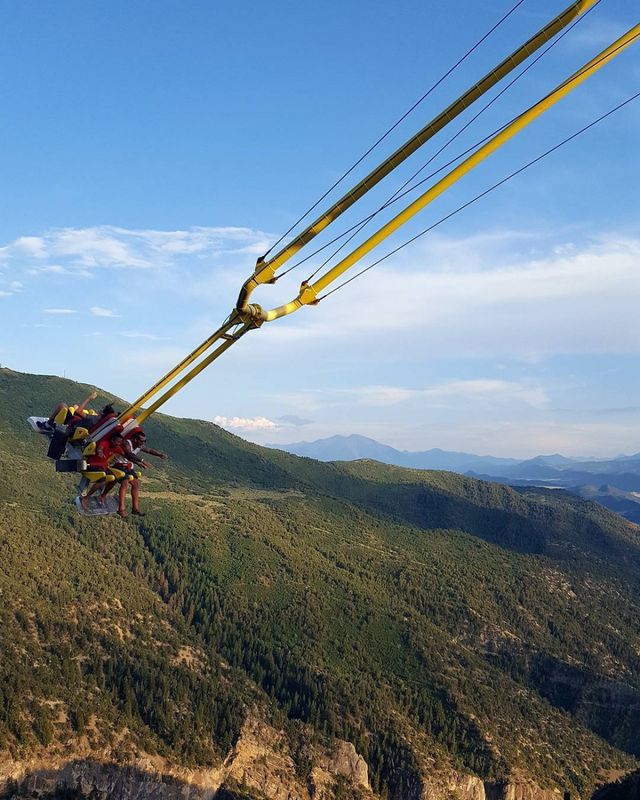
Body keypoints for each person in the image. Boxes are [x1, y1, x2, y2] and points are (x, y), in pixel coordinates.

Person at [117, 427, 168, 518]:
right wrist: (142, 460)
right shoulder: (126, 443)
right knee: (125, 482)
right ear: (135, 439)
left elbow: (149, 450)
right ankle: (121, 509)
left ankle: (135, 509)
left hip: (128, 466)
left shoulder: (139, 446)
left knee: (136, 484)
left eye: (144, 441)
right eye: (141, 441)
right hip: (118, 464)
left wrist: (159, 454)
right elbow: (129, 454)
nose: (143, 443)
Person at [79, 431, 126, 511]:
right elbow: (100, 448)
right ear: (112, 440)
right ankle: (86, 497)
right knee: (103, 479)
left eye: (120, 442)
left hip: (103, 466)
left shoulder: (116, 447)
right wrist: (100, 452)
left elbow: (124, 453)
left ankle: (103, 495)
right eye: (117, 441)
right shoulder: (105, 443)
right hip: (93, 464)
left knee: (115, 478)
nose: (118, 444)